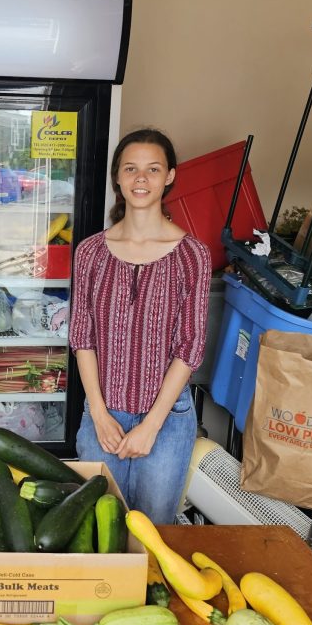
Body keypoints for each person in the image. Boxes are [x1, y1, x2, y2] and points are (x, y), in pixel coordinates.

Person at [69, 127, 211, 524]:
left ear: (169, 176)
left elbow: (191, 347)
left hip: (166, 420)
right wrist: (98, 413)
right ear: (118, 177)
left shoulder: (191, 255)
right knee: (99, 527)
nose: (141, 179)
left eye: (152, 169)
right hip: (103, 415)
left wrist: (151, 426)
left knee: (154, 532)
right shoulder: (91, 252)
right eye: (131, 169)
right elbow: (82, 337)